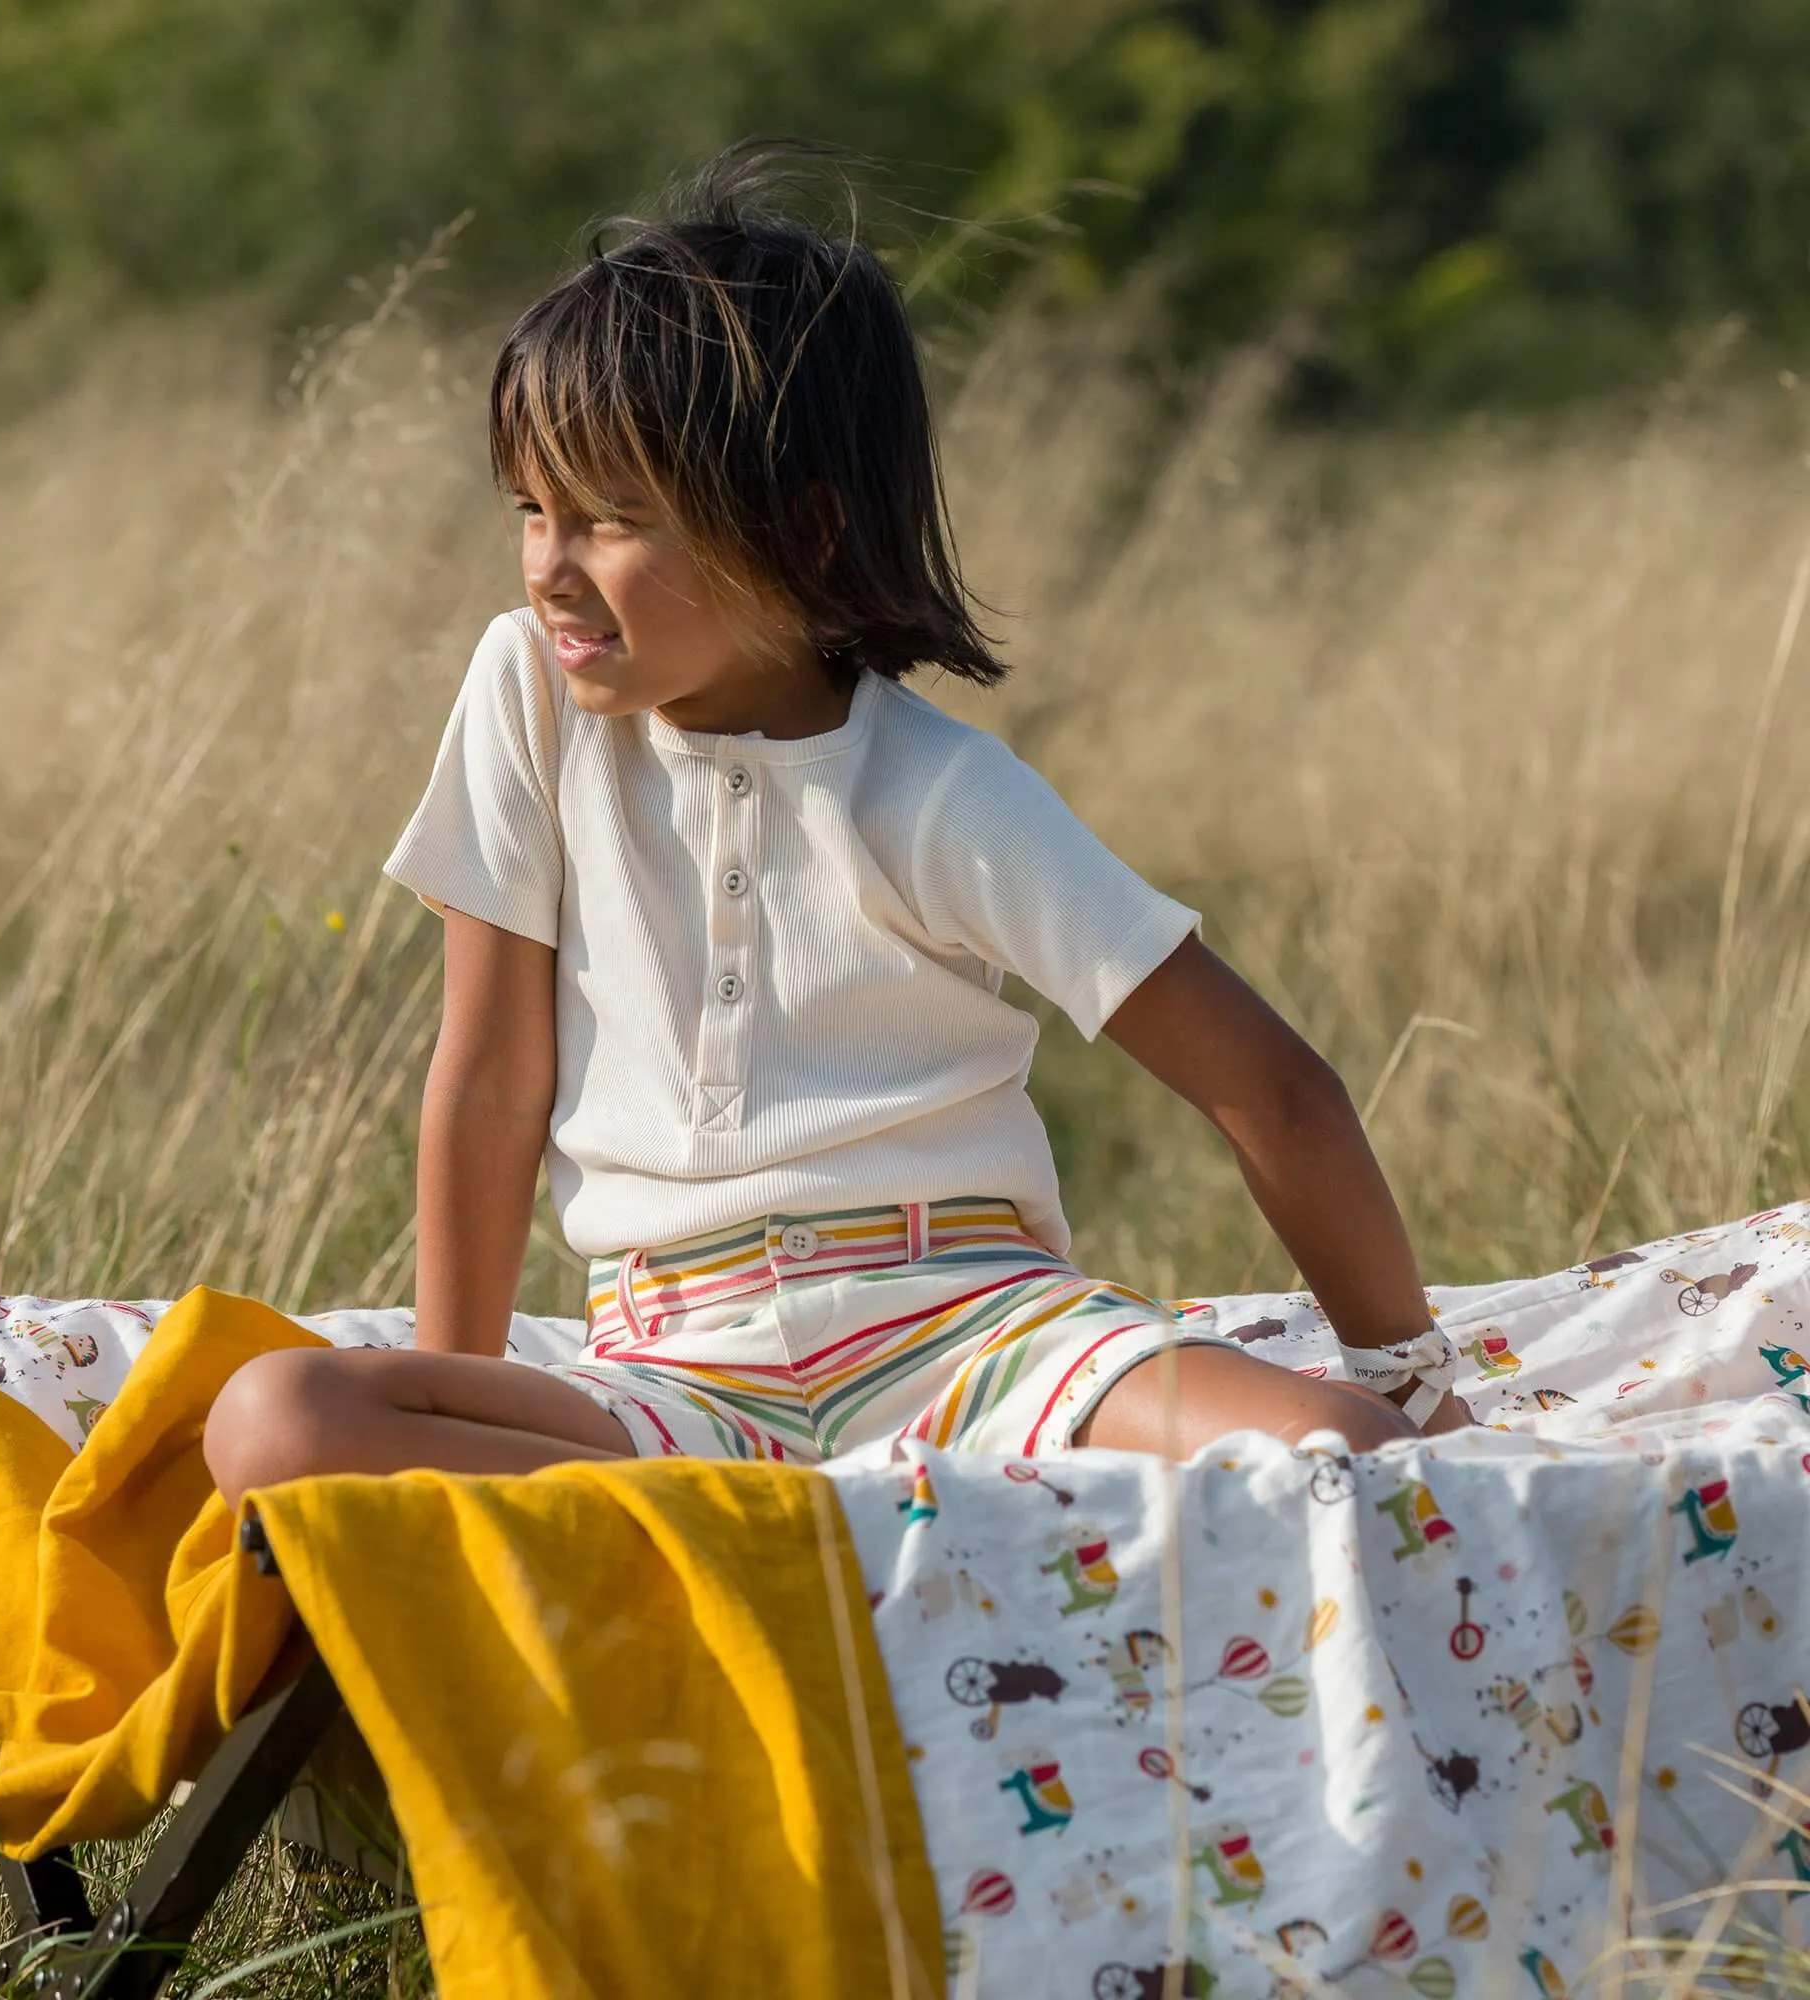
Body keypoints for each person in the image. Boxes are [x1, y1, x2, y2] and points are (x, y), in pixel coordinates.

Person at [204, 146, 1469, 1511]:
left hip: (982, 1340)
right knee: (281, 1419)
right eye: (532, 510)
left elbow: (1270, 1085)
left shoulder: (942, 793)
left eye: (612, 518)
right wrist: (462, 1400)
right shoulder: (528, 698)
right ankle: (747, 1513)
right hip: (676, 1369)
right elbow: (492, 1078)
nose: (549, 568)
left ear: (799, 531)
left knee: (1364, 1472)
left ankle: (851, 1511)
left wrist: (1405, 1375)